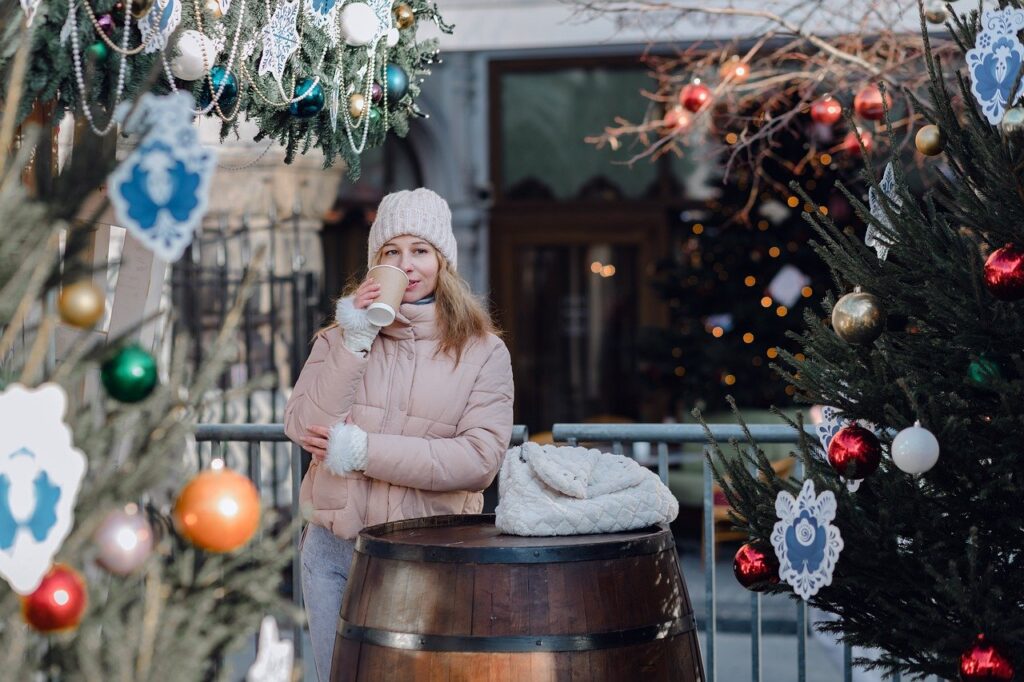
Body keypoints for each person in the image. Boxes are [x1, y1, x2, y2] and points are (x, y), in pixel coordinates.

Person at [283, 188, 515, 681]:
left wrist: (364, 450)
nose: (406, 265)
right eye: (391, 252)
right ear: (374, 264)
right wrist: (355, 337)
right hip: (333, 550)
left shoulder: (483, 352)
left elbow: (477, 460)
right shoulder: (337, 339)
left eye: (420, 251)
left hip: (427, 554)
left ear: (442, 262)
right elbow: (304, 426)